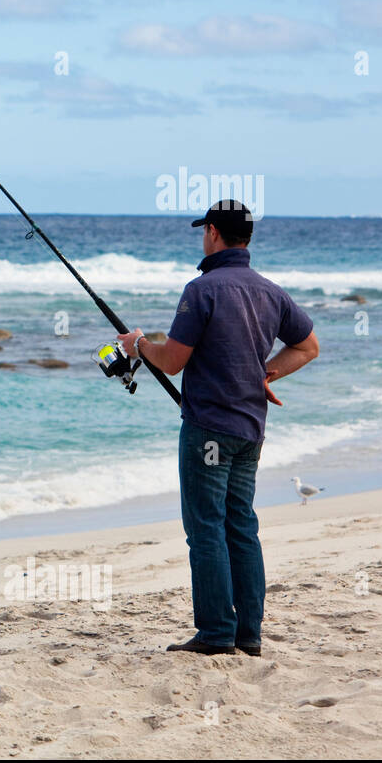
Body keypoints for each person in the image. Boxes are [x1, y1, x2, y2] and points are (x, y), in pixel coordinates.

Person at [117, 200, 320, 655]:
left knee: (207, 528)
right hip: (250, 429)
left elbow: (171, 363)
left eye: (203, 231)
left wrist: (137, 345)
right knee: (241, 526)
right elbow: (308, 347)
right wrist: (263, 375)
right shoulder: (270, 292)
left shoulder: (202, 289)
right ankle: (248, 633)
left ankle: (215, 633)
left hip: (208, 430)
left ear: (212, 232)